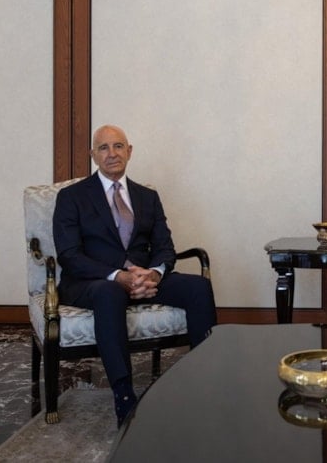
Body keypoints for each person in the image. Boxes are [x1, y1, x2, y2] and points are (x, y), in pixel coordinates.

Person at [53, 124, 217, 427]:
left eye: (118, 146)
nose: (112, 153)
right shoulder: (72, 197)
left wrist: (154, 274)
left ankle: (205, 383)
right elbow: (69, 254)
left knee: (198, 288)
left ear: (129, 151)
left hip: (142, 278)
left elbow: (165, 248)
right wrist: (117, 276)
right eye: (103, 148)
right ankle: (124, 396)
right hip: (92, 282)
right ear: (93, 155)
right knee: (109, 292)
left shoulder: (147, 197)